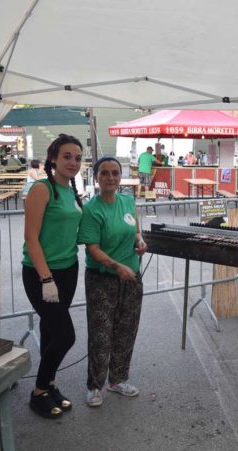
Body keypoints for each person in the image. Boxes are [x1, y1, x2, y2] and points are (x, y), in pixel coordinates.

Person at [21, 134, 84, 419]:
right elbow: (31, 239)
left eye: (78, 157)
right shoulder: (41, 189)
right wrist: (46, 279)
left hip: (69, 269)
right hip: (41, 274)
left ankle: (50, 385)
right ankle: (38, 392)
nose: (73, 162)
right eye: (67, 156)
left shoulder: (71, 191)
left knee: (50, 330)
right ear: (53, 159)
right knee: (65, 335)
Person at [78, 157, 148, 407]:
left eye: (115, 173)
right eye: (105, 173)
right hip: (102, 280)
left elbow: (135, 231)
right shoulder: (91, 209)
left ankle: (117, 379)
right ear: (96, 177)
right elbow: (93, 249)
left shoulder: (128, 201)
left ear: (120, 176)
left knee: (126, 331)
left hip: (131, 277)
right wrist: (117, 266)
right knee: (101, 335)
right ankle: (94, 386)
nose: (110, 177)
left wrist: (139, 242)